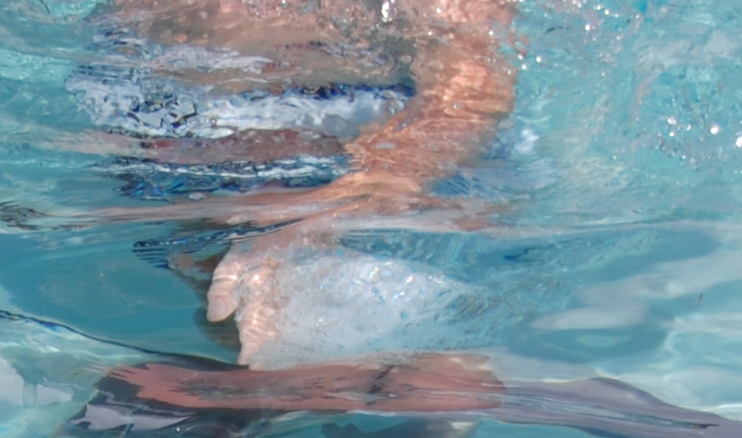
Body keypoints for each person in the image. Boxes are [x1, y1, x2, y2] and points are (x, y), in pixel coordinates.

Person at [77, 0, 518, 364]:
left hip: (372, 111)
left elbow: (468, 96)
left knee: (466, 227)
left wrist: (350, 197)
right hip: (194, 116)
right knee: (244, 286)